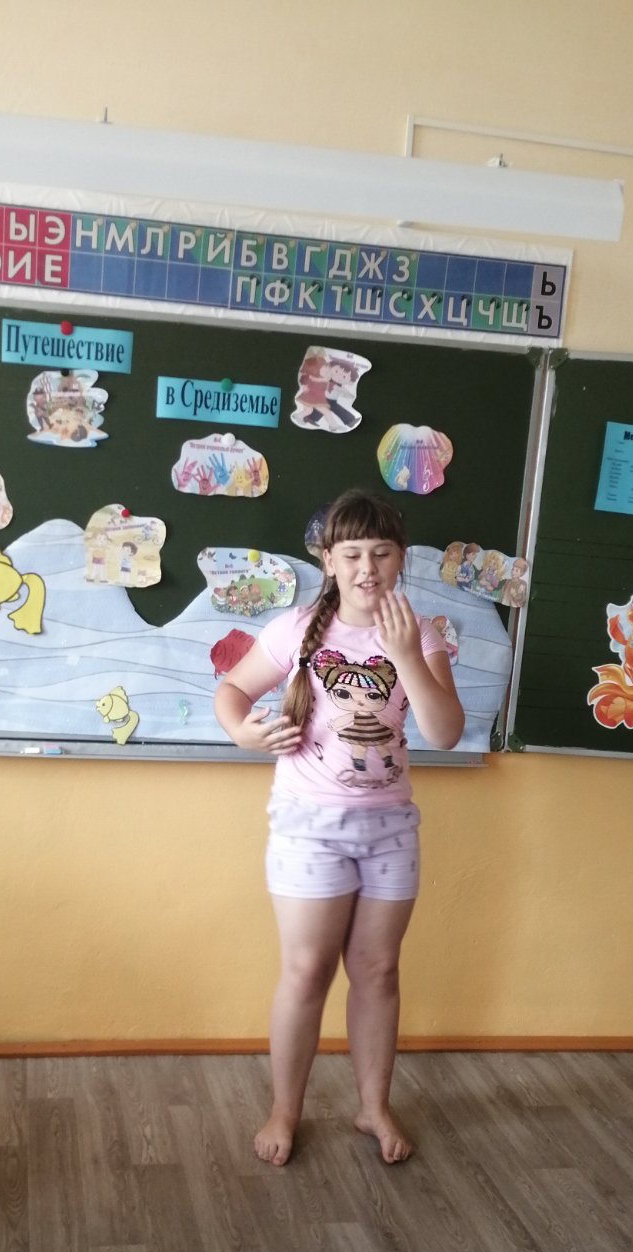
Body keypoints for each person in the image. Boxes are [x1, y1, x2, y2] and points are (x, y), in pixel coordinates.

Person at [214, 489, 465, 1166]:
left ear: (400, 558)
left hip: (390, 829)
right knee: (306, 971)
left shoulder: (422, 634)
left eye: (381, 553)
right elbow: (232, 690)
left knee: (378, 971)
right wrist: (243, 732)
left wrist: (406, 654)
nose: (367, 568)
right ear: (328, 560)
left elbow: (445, 732)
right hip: (309, 828)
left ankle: (372, 1106)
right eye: (351, 554)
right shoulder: (295, 630)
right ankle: (284, 1110)